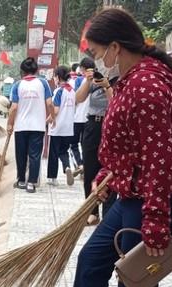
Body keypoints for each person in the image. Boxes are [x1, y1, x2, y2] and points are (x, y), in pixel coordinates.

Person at [43, 7, 172, 287]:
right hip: (131, 196)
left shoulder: (147, 87)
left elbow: (160, 160)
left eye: (96, 51)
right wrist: (110, 173)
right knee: (92, 260)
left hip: (153, 202)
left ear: (115, 47)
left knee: (135, 284)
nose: (95, 60)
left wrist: (157, 224)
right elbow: (134, 147)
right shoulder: (129, 80)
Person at [75, 56, 117, 225]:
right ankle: (91, 211)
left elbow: (115, 102)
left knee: (110, 170)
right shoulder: (90, 79)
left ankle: (108, 212)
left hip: (111, 124)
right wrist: (88, 80)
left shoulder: (120, 78)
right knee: (90, 170)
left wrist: (107, 85)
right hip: (92, 124)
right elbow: (79, 98)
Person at [6, 57, 54, 193]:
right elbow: (50, 104)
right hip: (38, 126)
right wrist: (52, 117)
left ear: (22, 71)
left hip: (21, 126)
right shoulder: (43, 83)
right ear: (36, 70)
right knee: (35, 155)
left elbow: (13, 108)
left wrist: (10, 123)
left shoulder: (17, 85)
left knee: (21, 154)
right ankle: (31, 183)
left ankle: (21, 180)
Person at [46, 66, 76, 186]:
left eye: (54, 76)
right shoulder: (72, 91)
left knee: (53, 152)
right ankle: (67, 167)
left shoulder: (59, 91)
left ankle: (52, 178)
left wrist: (47, 120)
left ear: (58, 77)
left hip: (57, 127)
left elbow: (56, 110)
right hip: (68, 127)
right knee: (64, 150)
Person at [70, 65, 88, 173]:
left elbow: (75, 99)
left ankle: (80, 164)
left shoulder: (78, 81)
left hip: (77, 118)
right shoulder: (96, 80)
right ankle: (85, 164)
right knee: (85, 144)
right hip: (88, 119)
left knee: (74, 144)